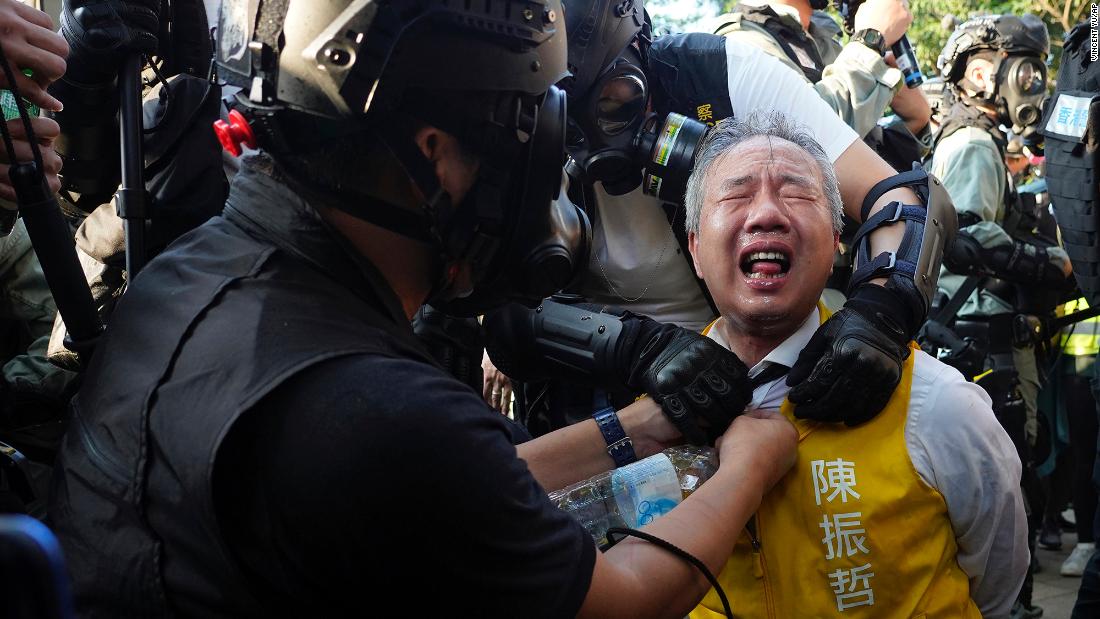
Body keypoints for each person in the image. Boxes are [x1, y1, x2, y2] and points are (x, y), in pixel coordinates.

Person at [47, 1, 799, 616]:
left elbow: (462, 484)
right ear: (437, 151)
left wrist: (640, 427)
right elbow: (623, 600)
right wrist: (749, 466)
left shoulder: (184, 275)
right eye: (528, 132)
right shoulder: (374, 411)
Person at [490, 0, 954, 437]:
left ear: (641, 49)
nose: (596, 139)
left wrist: (880, 314)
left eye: (617, 101)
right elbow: (492, 309)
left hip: (759, 382)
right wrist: (635, 348)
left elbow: (907, 199)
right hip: (591, 394)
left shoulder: (716, 74)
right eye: (570, 119)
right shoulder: (510, 118)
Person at [682, 111, 1027, 619]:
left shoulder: (937, 404)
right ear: (694, 247)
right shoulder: (653, 410)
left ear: (838, 243)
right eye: (736, 195)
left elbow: (998, 577)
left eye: (797, 194)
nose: (767, 214)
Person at [929, 14, 1072, 618]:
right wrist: (1053, 260)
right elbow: (965, 233)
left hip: (981, 332)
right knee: (1005, 482)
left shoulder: (973, 138)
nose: (1034, 82)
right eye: (1028, 67)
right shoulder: (971, 143)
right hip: (982, 336)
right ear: (986, 73)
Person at [712, 0, 930, 142]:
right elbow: (806, 138)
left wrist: (915, 117)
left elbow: (866, 144)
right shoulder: (741, 41)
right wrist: (871, 38)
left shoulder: (822, 37)